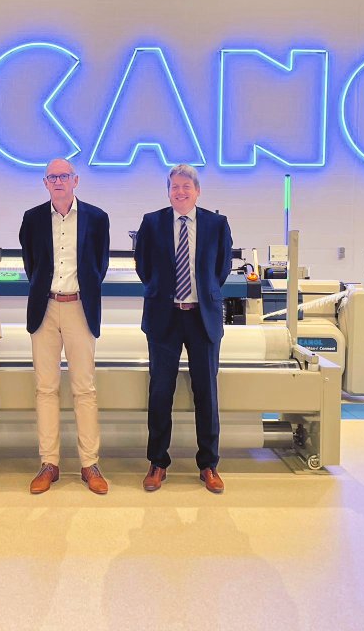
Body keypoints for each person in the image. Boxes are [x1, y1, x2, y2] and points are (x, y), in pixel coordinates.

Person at [134, 165, 233, 494]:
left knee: (207, 393)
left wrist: (201, 294)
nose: (180, 192)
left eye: (186, 186)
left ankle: (209, 464)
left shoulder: (216, 224)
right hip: (164, 318)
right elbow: (143, 266)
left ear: (197, 191)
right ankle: (157, 462)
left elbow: (221, 269)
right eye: (174, 187)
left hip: (202, 319)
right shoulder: (152, 222)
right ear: (168, 191)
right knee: (161, 392)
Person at [19, 158, 111, 495]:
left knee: (84, 389)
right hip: (44, 309)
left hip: (79, 308)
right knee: (45, 388)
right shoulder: (32, 218)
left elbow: (99, 264)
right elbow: (31, 264)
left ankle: (89, 464)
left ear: (75, 180)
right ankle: (49, 463)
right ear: (45, 183)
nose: (58, 181)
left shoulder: (97, 218)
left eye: (64, 176)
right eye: (52, 177)